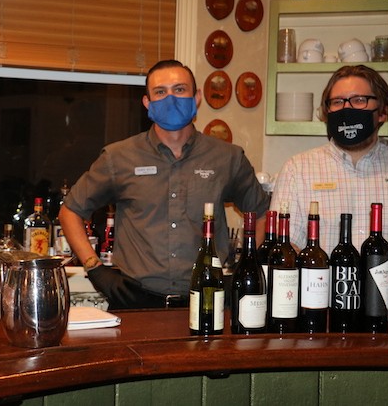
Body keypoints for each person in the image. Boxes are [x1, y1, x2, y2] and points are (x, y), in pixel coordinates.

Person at [59, 59, 270, 310]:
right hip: (136, 302)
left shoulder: (228, 158)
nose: (170, 99)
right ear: (147, 103)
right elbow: (70, 211)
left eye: (179, 89)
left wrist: (247, 265)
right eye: (160, 92)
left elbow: (262, 214)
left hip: (208, 299)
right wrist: (94, 268)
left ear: (196, 98)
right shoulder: (118, 157)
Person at [271, 65, 388, 255]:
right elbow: (284, 249)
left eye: (359, 100)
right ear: (326, 112)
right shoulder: (297, 170)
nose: (347, 108)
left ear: (383, 112)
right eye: (338, 102)